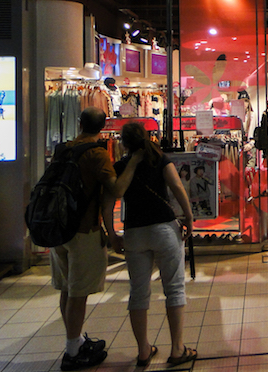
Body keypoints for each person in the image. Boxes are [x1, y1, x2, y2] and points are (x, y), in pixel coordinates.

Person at [50, 107, 137, 371]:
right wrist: (133, 162)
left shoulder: (63, 149)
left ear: (79, 123)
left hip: (59, 228)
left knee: (67, 289)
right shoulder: (96, 154)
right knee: (78, 294)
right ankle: (72, 352)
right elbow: (116, 189)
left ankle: (75, 341)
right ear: (103, 126)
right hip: (83, 230)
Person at [106, 121, 197, 368]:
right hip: (164, 229)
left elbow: (109, 202)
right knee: (174, 288)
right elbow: (177, 186)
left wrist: (112, 235)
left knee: (138, 292)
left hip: (135, 232)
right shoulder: (160, 159)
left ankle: (143, 351)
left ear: (124, 143)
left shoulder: (120, 167)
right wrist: (188, 217)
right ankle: (177, 349)